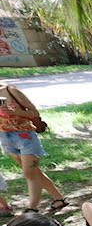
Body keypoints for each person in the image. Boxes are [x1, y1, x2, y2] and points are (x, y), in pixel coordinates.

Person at [0, 80, 67, 213]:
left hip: (25, 136)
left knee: (29, 173)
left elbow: (34, 113)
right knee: (35, 172)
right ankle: (59, 199)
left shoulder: (10, 91)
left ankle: (32, 208)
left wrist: (15, 113)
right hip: (5, 137)